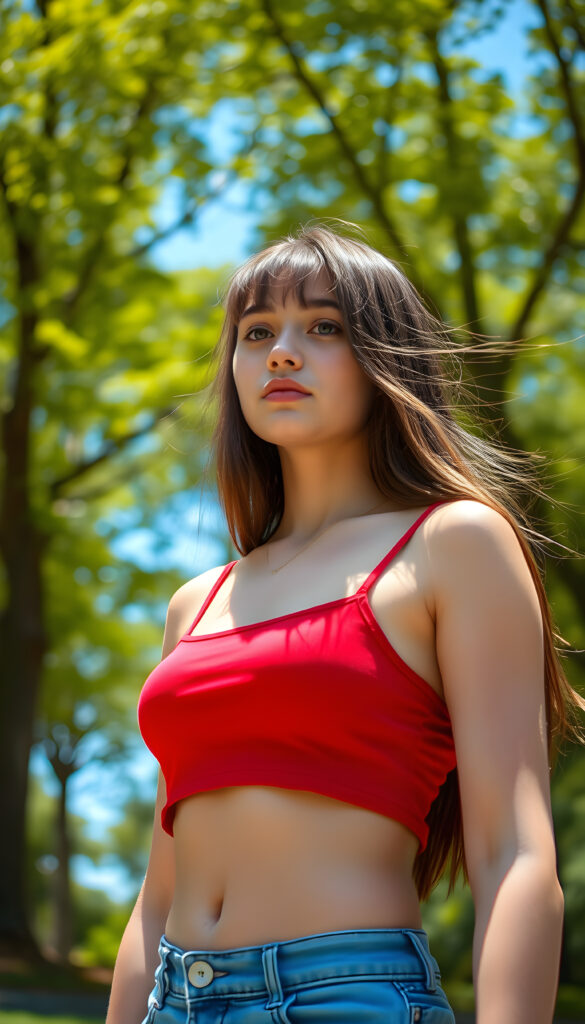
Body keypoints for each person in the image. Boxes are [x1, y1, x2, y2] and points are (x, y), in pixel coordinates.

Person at [106, 223, 583, 1024]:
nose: (281, 353)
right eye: (256, 332)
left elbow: (515, 854)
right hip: (176, 1000)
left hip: (344, 996)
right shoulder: (197, 600)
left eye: (323, 327)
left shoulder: (451, 542)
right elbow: (157, 895)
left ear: (384, 358)